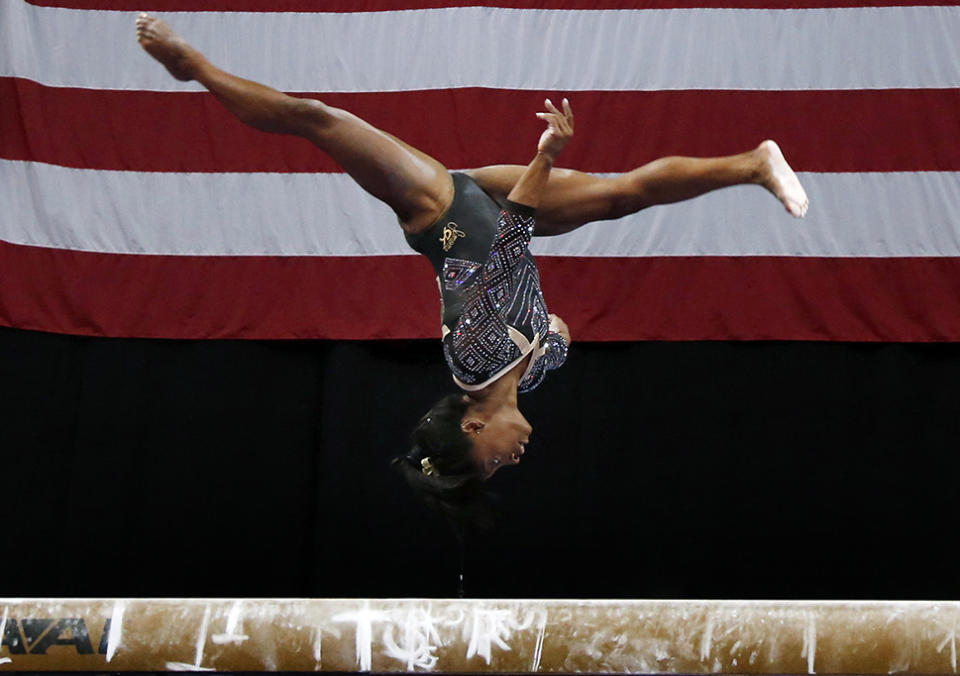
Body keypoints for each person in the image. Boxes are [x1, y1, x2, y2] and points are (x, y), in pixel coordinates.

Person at [135, 14, 809, 521]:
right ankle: (752, 163)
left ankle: (191, 64)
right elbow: (556, 321)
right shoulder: (532, 373)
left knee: (317, 119)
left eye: (489, 462)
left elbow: (512, 246)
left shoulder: (477, 353)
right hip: (495, 215)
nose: (509, 461)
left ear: (472, 427)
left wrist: (546, 155)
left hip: (443, 210)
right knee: (618, 195)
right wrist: (550, 336)